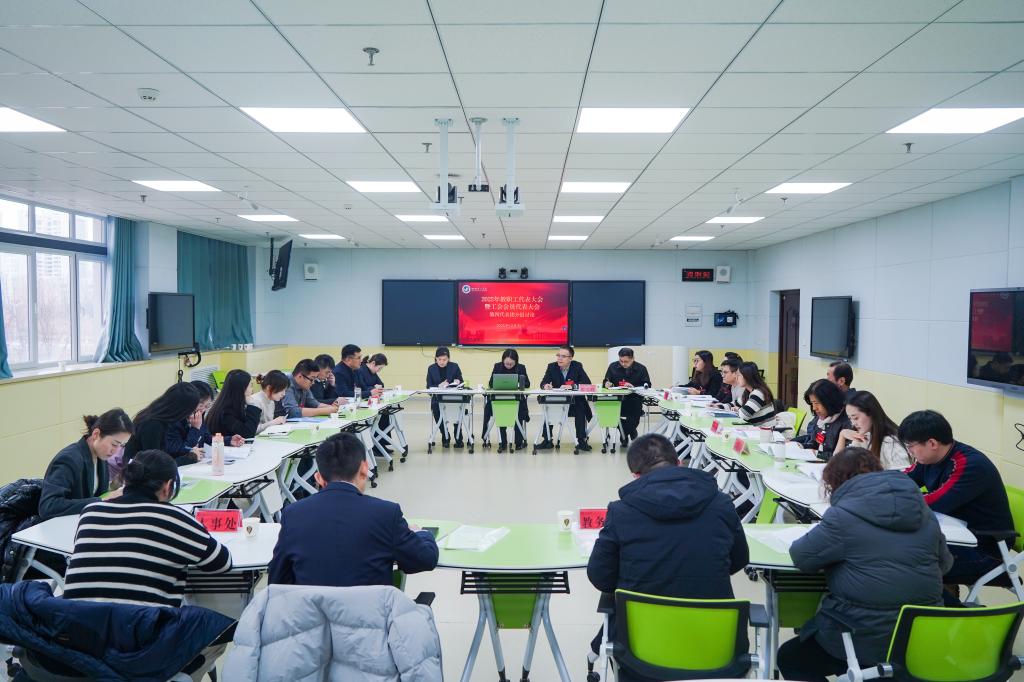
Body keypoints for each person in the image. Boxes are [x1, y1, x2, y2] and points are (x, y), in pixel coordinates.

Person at [777, 447, 952, 682]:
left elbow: (802, 558)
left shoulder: (841, 517)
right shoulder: (924, 513)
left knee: (790, 659)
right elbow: (945, 565)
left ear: (835, 482)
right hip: (922, 639)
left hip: (864, 638)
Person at [587, 434, 748, 678]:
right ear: (679, 463)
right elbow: (739, 559)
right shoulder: (721, 504)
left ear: (636, 476)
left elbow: (601, 577)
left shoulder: (621, 512)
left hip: (640, 655)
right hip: (715, 651)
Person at [62, 450, 232, 607]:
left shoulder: (91, 512)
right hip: (142, 626)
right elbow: (222, 563)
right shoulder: (174, 518)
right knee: (213, 621)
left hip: (77, 623)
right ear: (168, 486)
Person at [268, 433, 438, 587]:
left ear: (318, 477)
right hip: (370, 612)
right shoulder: (386, 514)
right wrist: (421, 533)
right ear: (364, 469)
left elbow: (277, 580)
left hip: (311, 612)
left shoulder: (293, 514)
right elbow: (426, 559)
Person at [899, 410, 1014, 601]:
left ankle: (953, 612)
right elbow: (902, 480)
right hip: (956, 538)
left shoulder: (969, 464)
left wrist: (890, 499)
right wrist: (871, 484)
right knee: (900, 552)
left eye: (910, 446)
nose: (909, 451)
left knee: (906, 564)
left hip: (985, 550)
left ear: (932, 443)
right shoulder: (928, 458)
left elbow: (936, 502)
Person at [39, 409, 133, 520]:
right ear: (96, 434)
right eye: (114, 444)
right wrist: (101, 500)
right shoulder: (68, 459)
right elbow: (48, 506)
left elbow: (99, 494)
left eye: (122, 446)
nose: (116, 451)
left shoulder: (101, 457)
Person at [125, 383, 206, 467]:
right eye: (191, 410)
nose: (191, 414)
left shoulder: (162, 417)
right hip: (137, 471)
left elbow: (167, 454)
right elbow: (156, 465)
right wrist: (190, 458)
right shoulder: (153, 424)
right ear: (181, 409)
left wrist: (189, 451)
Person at [835, 390, 911, 469]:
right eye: (850, 418)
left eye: (856, 418)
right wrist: (842, 435)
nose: (853, 423)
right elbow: (837, 467)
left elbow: (902, 474)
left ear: (871, 413)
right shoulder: (865, 435)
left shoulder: (891, 442)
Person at [539, 345, 593, 451]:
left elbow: (587, 383)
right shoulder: (552, 367)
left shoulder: (577, 366)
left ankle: (581, 440)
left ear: (570, 358)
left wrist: (573, 386)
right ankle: (547, 440)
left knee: (580, 407)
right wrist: (545, 385)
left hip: (574, 403)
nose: (560, 358)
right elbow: (543, 382)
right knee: (548, 408)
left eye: (563, 356)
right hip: (558, 403)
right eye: (558, 355)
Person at [483, 348, 530, 452]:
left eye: (511, 364)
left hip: (516, 399)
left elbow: (527, 384)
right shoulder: (497, 366)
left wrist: (519, 384)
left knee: (519, 412)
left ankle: (518, 442)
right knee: (501, 412)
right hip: (500, 399)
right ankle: (502, 442)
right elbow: (491, 383)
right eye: (506, 364)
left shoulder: (521, 368)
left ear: (516, 361)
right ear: (502, 361)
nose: (508, 366)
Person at [602, 348, 651, 446]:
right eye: (621, 361)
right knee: (607, 415)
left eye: (626, 361)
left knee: (634, 418)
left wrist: (633, 386)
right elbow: (605, 381)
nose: (623, 364)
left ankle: (624, 434)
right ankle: (630, 431)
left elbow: (647, 385)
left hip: (634, 400)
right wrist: (607, 383)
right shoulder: (613, 366)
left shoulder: (641, 368)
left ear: (632, 359)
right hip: (617, 400)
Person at [796, 379, 851, 460]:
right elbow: (815, 444)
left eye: (817, 403)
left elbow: (844, 458)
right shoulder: (820, 419)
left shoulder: (847, 423)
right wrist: (801, 446)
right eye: (812, 403)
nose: (814, 408)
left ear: (829, 401)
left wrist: (818, 454)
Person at [205, 369, 263, 442]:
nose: (252, 389)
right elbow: (248, 434)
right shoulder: (226, 412)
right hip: (221, 447)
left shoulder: (233, 403)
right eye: (250, 385)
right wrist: (252, 405)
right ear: (241, 389)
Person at [164, 381, 214, 463]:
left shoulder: (198, 414)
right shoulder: (174, 421)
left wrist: (228, 440)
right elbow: (180, 451)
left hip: (195, 463)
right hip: (179, 466)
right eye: (201, 405)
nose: (203, 410)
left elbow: (207, 436)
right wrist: (195, 428)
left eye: (207, 406)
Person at [426, 346, 466, 448]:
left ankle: (458, 437)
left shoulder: (454, 366)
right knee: (436, 409)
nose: (442, 362)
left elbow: (462, 382)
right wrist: (439, 386)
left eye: (444, 359)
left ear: (448, 359)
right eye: (439, 359)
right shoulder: (431, 368)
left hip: (453, 398)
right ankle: (445, 436)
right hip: (437, 399)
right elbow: (428, 386)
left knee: (457, 411)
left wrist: (458, 382)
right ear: (435, 358)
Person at [735, 361, 777, 426]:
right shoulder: (748, 391)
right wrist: (719, 406)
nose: (736, 378)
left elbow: (743, 415)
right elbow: (736, 403)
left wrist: (738, 409)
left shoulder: (758, 393)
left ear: (747, 376)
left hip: (765, 431)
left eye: (738, 375)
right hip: (756, 429)